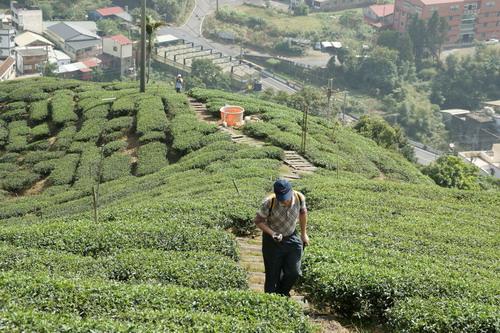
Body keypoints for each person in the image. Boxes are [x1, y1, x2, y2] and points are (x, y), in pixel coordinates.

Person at [253, 179, 309, 296]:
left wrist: (303, 234)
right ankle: (272, 300)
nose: (284, 201)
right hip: (272, 241)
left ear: (292, 191)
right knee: (272, 276)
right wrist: (272, 233)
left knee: (294, 272)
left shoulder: (299, 198)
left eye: (286, 197)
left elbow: (303, 214)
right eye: (282, 198)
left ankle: (283, 293)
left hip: (292, 236)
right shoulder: (269, 202)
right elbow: (258, 221)